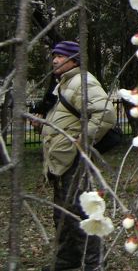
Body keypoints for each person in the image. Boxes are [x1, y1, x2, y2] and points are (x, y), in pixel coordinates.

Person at [41, 40, 117, 271]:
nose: (55, 60)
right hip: (61, 162)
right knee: (63, 217)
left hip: (74, 161)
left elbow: (105, 114)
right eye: (54, 55)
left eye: (61, 56)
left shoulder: (82, 81)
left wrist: (82, 142)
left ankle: (93, 265)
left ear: (74, 60)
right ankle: (67, 262)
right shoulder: (63, 84)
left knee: (81, 215)